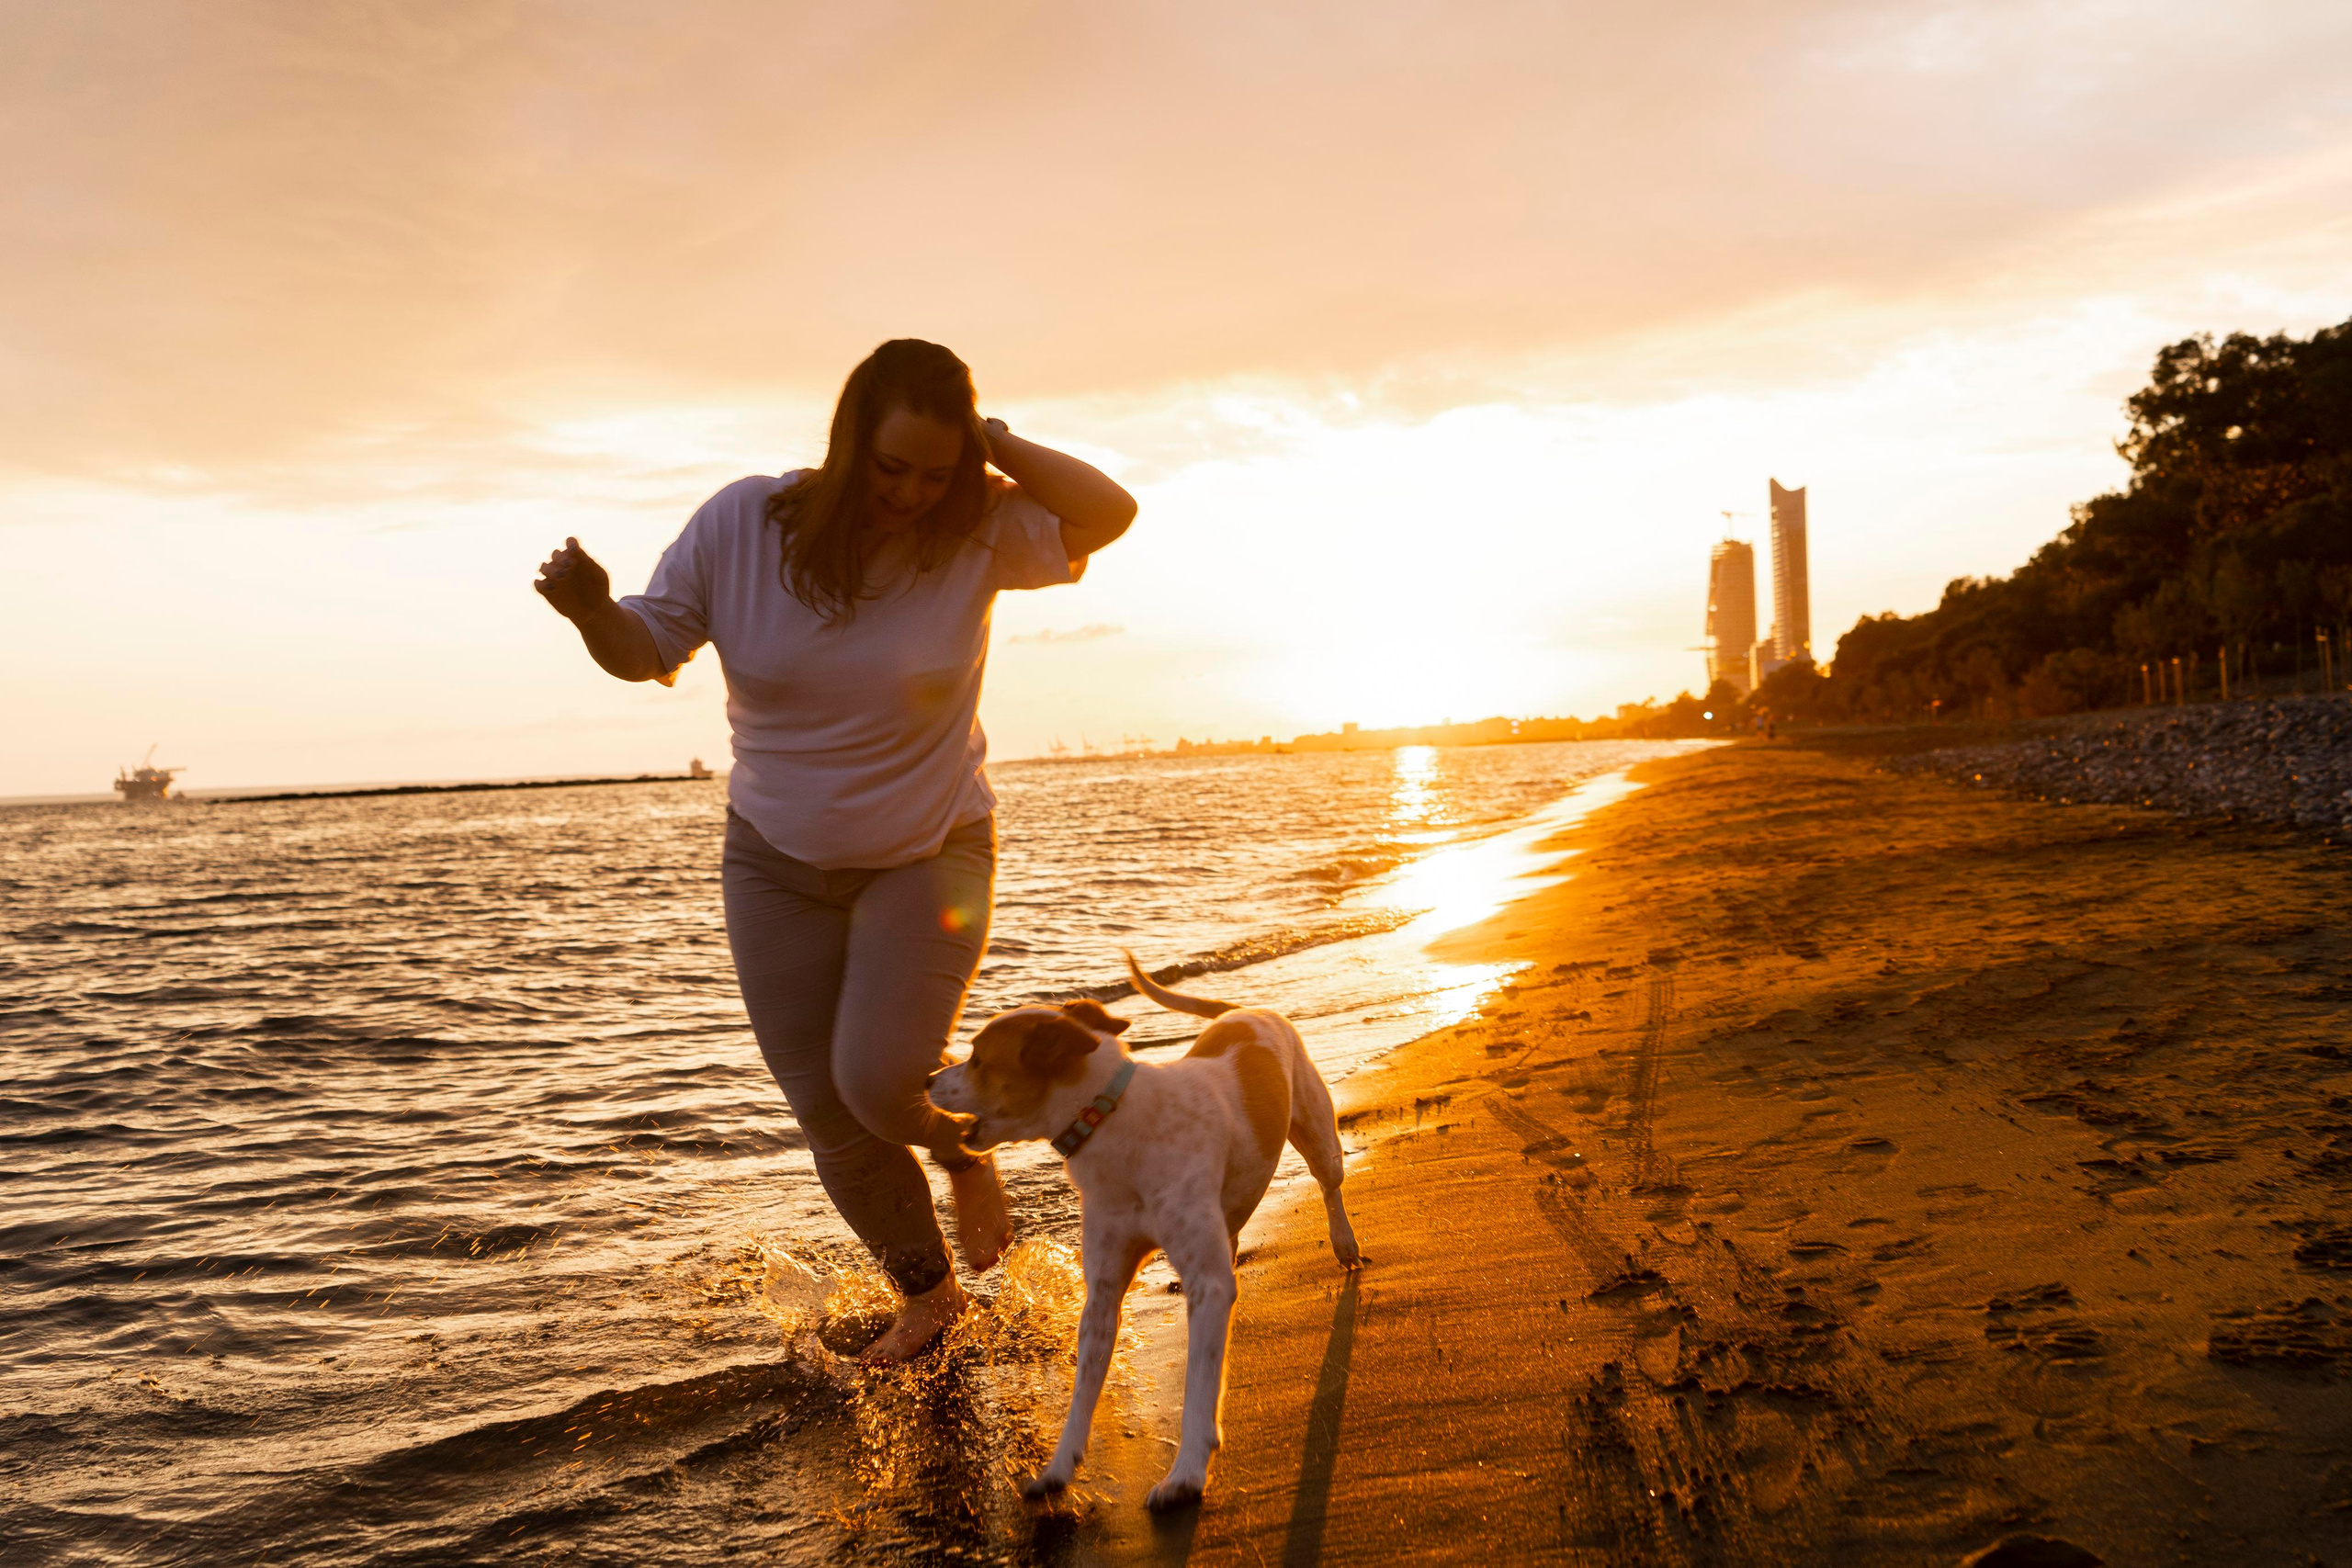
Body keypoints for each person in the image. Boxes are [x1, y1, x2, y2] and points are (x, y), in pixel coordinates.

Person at [532, 339, 1136, 1362]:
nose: (909, 493)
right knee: (829, 1111)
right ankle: (931, 1298)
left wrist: (987, 443)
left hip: (929, 850)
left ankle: (967, 1156)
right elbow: (647, 649)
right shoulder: (742, 523)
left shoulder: (976, 528)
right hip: (773, 859)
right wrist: (594, 612)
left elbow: (1108, 513)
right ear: (849, 442)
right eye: (891, 466)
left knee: (877, 1080)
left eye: (934, 472)